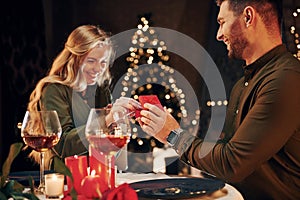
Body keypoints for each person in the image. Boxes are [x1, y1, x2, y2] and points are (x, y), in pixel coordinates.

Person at [138, 0, 300, 199]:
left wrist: (173, 135)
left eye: (222, 22)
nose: (219, 34)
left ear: (248, 17)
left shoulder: (286, 79)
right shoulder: (243, 85)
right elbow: (222, 156)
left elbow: (232, 164)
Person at [26, 24, 141, 169]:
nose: (98, 69)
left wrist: (118, 120)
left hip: (100, 172)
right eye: (91, 61)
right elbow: (64, 146)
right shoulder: (54, 90)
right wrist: (106, 119)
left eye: (103, 62)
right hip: (66, 176)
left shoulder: (101, 90)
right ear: (74, 59)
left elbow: (111, 147)